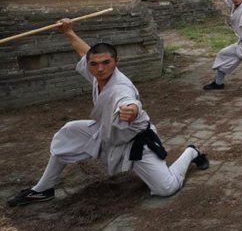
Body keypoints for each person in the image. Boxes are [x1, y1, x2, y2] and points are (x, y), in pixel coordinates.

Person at [6, 19, 209, 207]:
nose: (100, 69)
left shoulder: (121, 87)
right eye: (94, 64)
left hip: (135, 142)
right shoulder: (97, 74)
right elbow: (84, 52)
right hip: (107, 133)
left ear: (116, 61)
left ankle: (192, 151)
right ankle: (43, 189)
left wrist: (132, 111)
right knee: (68, 134)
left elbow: (131, 101)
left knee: (167, 188)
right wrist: (68, 32)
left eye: (106, 63)